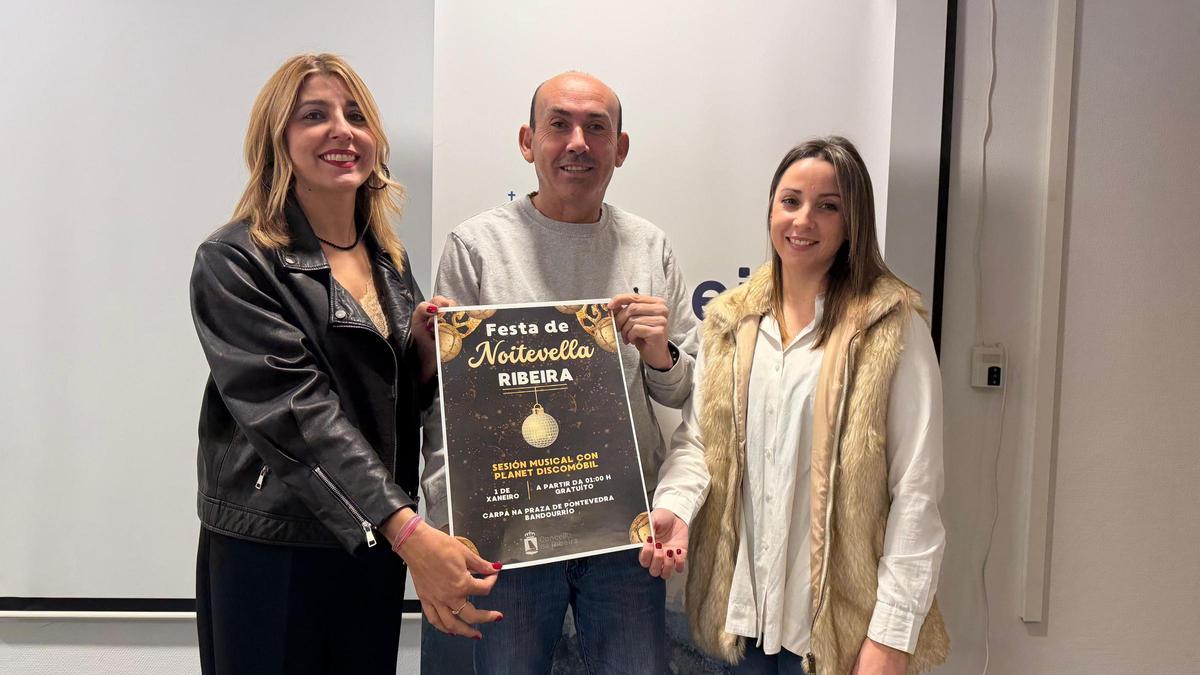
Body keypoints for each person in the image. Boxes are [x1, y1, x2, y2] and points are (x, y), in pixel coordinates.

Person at [189, 53, 501, 675]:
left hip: (371, 541)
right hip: (274, 545)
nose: (341, 130)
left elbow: (376, 397)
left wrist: (417, 355)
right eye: (314, 115)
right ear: (277, 141)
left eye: (355, 115)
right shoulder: (235, 260)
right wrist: (409, 532)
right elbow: (296, 411)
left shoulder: (387, 257)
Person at [427, 71, 699, 674]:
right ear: (528, 142)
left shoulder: (650, 248)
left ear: (619, 149)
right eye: (559, 125)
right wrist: (449, 524)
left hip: (621, 532)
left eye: (596, 128)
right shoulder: (475, 247)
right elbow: (447, 407)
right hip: (509, 536)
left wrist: (661, 353)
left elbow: (683, 393)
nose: (578, 142)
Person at [649, 137, 951, 674]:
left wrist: (893, 636)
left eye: (828, 206)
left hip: (842, 633)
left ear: (852, 220)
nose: (803, 220)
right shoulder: (730, 322)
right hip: (743, 622)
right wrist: (674, 508)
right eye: (791, 201)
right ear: (771, 209)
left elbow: (917, 492)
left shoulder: (891, 327)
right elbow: (699, 442)